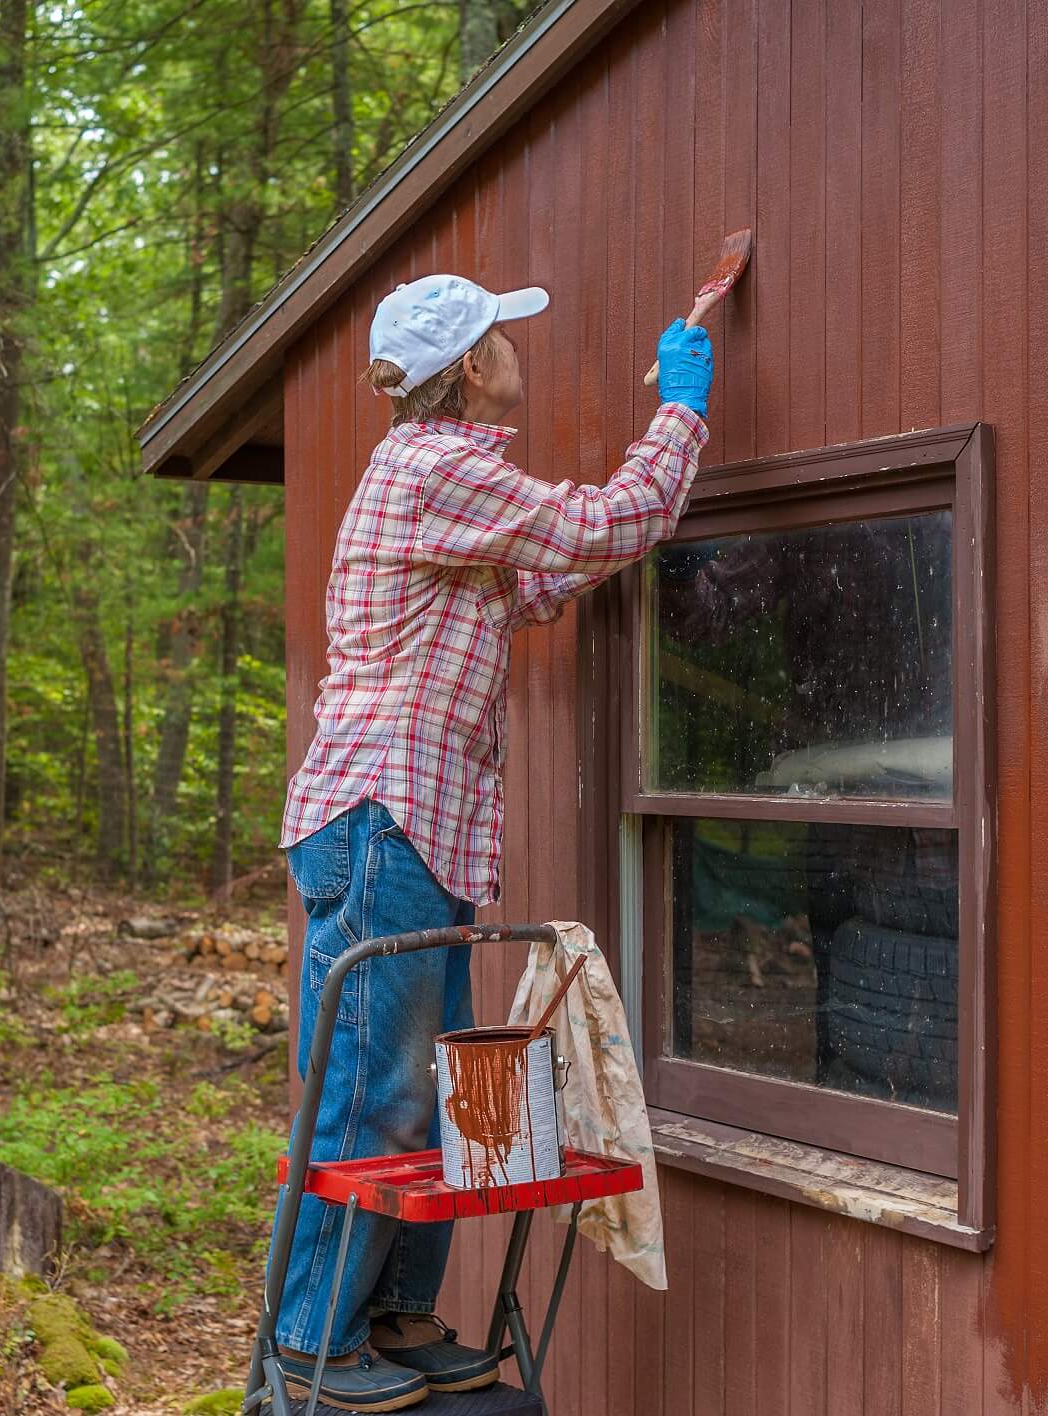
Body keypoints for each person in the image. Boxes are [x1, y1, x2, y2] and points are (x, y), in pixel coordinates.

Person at [268, 272, 716, 1412]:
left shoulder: (445, 487)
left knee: (420, 1092)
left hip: (411, 830)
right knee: (374, 1099)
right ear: (469, 366)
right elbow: (602, 523)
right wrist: (681, 413)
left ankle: (394, 1316)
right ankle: (308, 1343)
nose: (516, 346)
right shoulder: (439, 467)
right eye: (500, 335)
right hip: (384, 822)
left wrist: (634, 477)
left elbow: (552, 571)